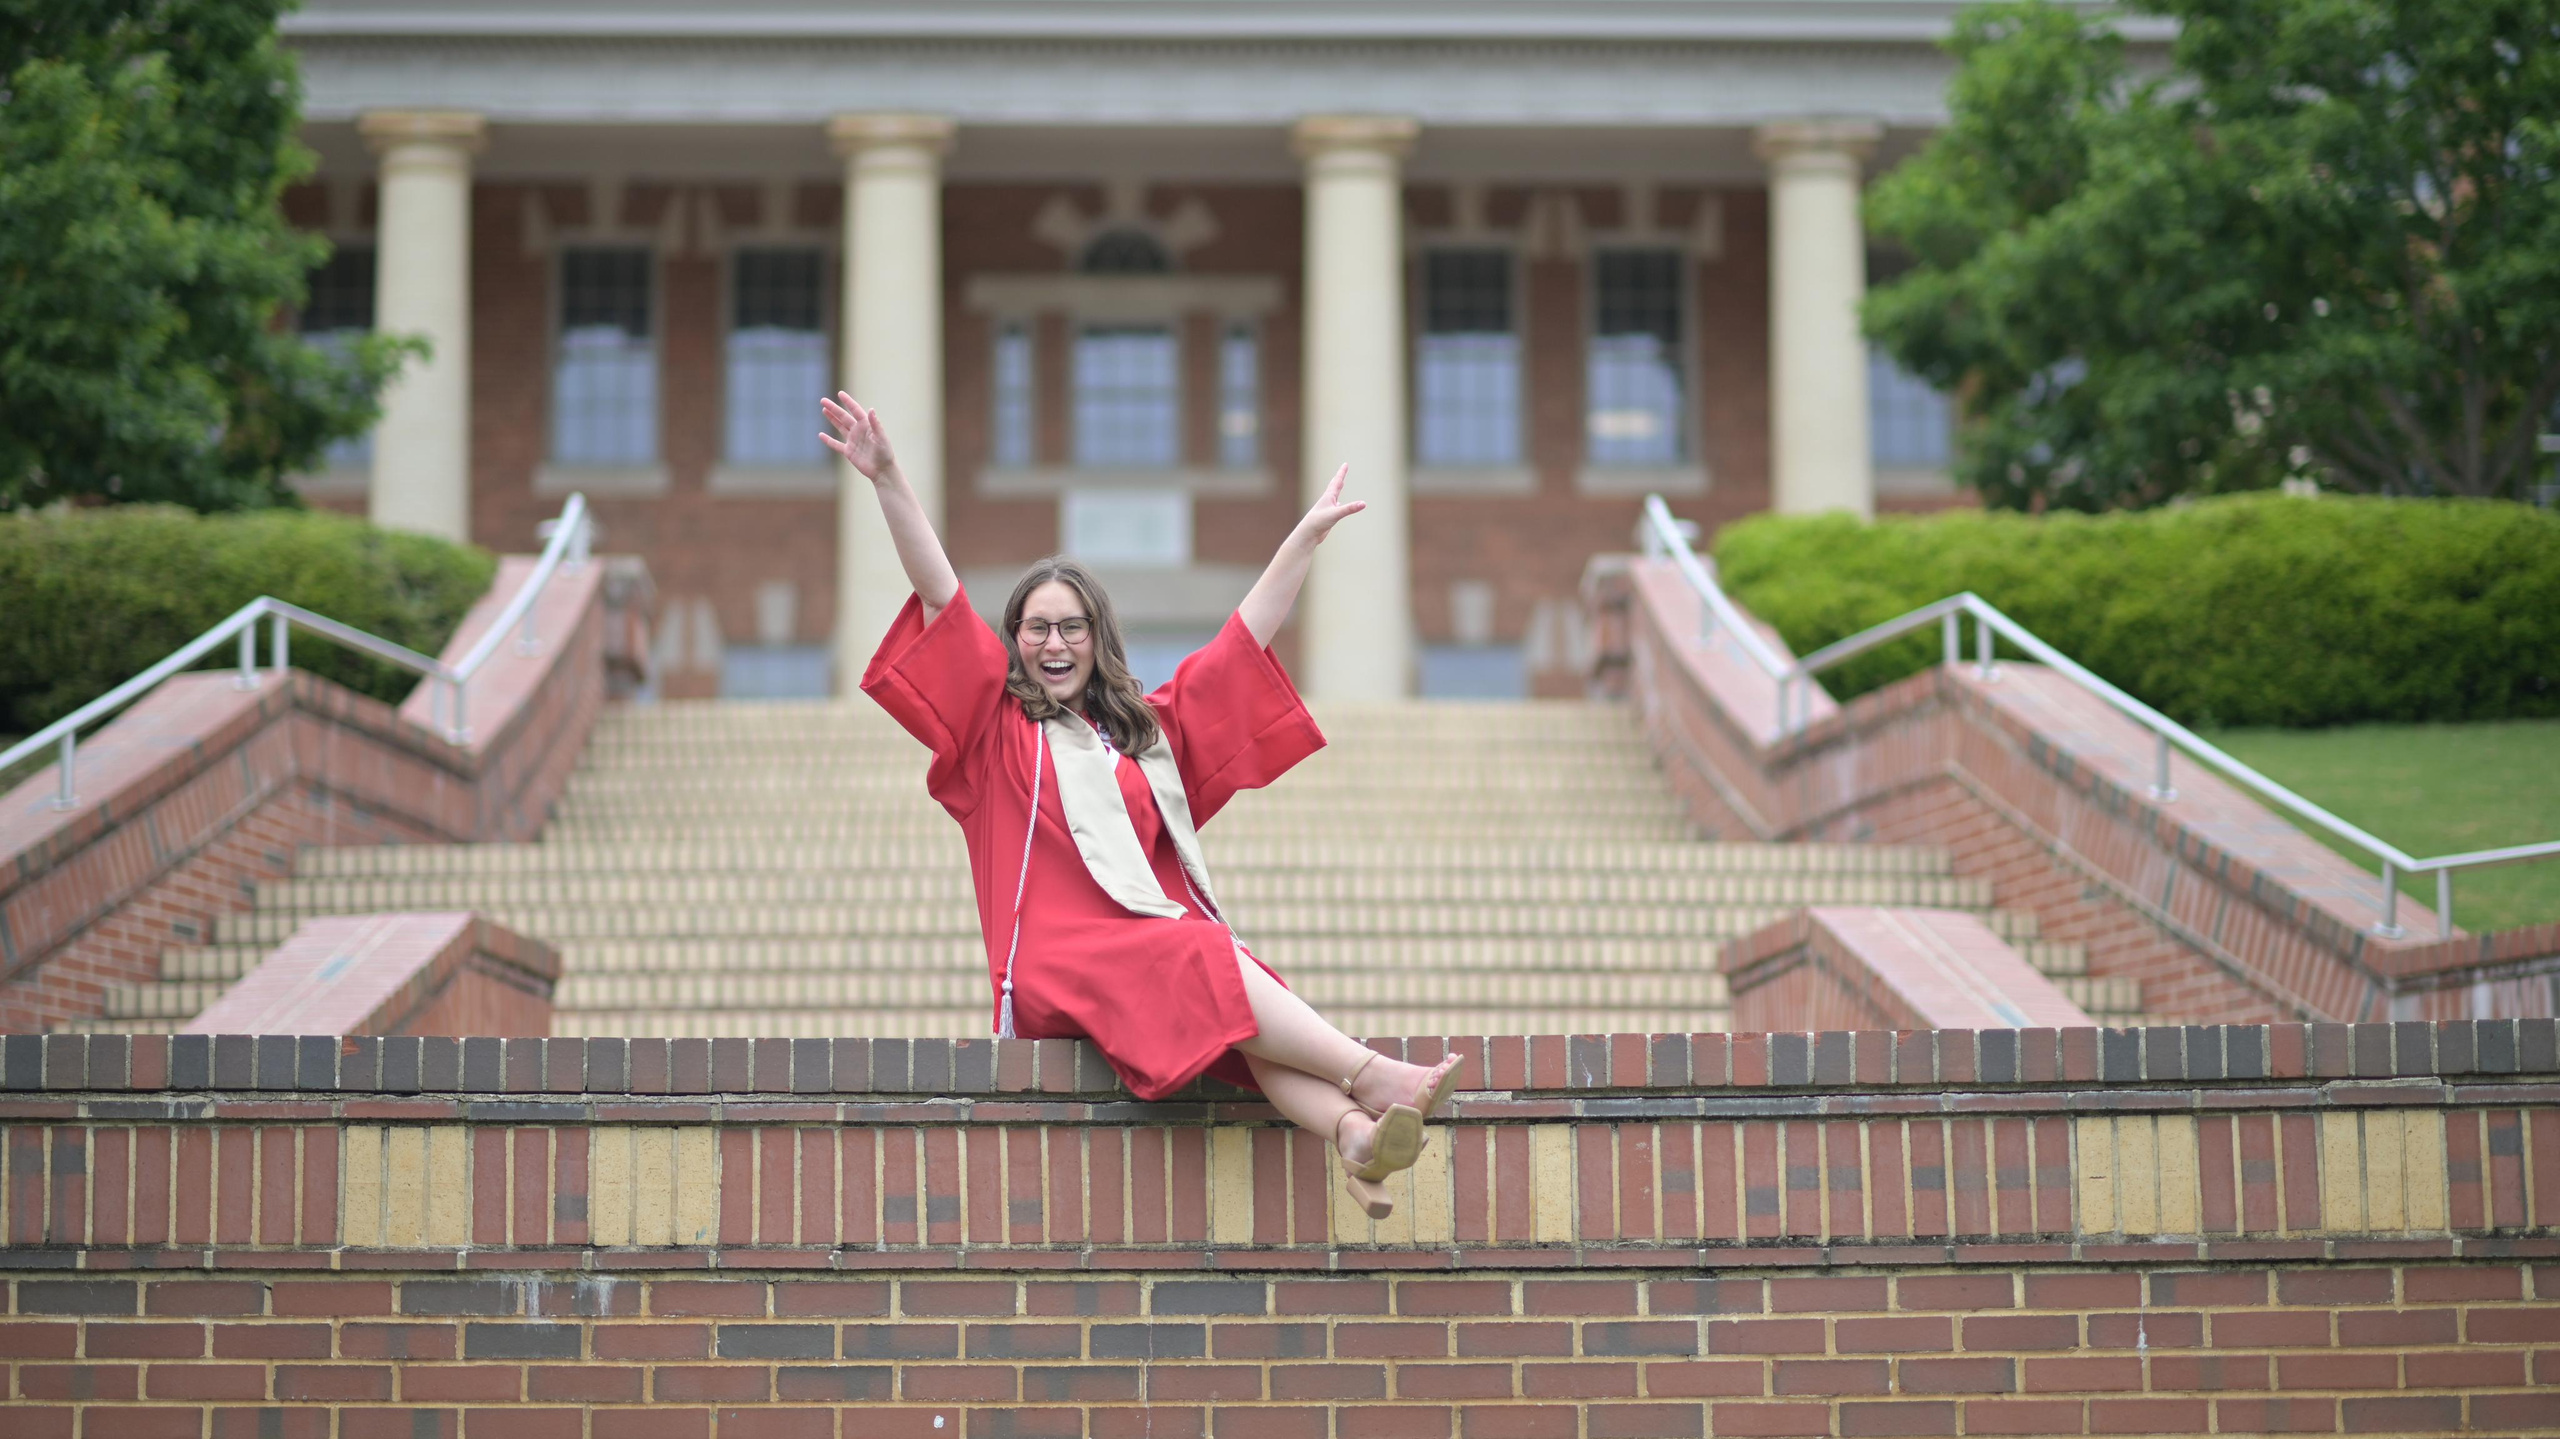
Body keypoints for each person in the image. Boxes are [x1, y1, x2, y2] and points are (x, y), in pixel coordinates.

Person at [824, 392, 1462, 1219]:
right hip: (1057, 961)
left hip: (1145, 952)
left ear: (1099, 637)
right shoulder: (996, 731)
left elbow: (1241, 645)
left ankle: (1352, 1135)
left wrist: (1303, 541)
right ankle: (1372, 1074)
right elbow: (942, 595)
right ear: (1014, 640)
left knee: (1232, 985)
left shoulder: (1143, 741)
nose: (1054, 644)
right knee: (1204, 958)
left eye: (1073, 628)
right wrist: (888, 478)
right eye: (1036, 628)